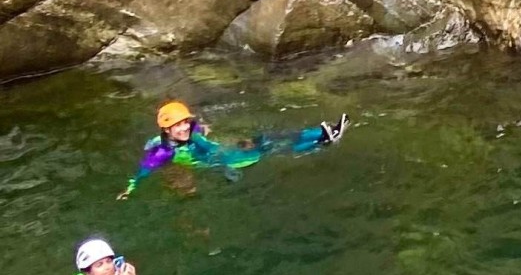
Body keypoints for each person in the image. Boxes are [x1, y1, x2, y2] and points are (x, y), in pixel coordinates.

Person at [118, 100, 349, 199]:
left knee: (265, 138)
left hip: (221, 151)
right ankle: (323, 141)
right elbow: (142, 172)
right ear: (167, 130)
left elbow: (198, 127)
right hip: (224, 161)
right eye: (178, 125)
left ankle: (321, 131)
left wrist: (204, 128)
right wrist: (130, 190)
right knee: (270, 149)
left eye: (185, 122)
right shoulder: (163, 153)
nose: (184, 127)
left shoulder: (190, 130)